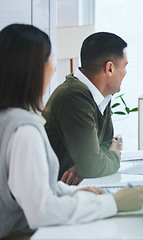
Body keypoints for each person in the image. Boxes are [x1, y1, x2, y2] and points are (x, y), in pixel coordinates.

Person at [0, 24, 143, 239]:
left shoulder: (11, 119)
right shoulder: (24, 130)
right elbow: (41, 211)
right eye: (50, 60)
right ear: (32, 68)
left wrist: (76, 191)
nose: (53, 69)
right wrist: (112, 203)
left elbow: (36, 189)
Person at [43, 32, 128, 185]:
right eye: (124, 66)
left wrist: (85, 166)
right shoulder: (74, 97)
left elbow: (105, 143)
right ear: (110, 68)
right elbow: (94, 163)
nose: (126, 73)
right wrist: (113, 156)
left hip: (77, 188)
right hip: (54, 194)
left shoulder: (102, 96)